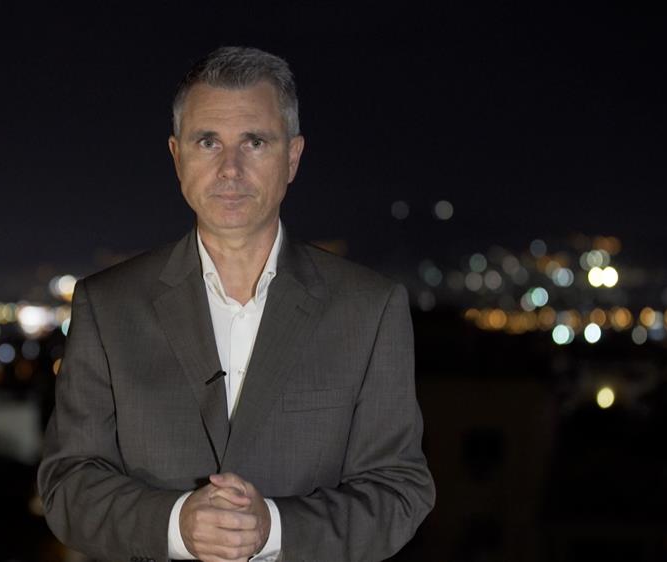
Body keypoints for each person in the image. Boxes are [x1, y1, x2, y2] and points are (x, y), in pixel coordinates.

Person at [38, 46, 435, 562]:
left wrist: (273, 528)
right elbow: (67, 485)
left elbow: (400, 491)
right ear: (177, 156)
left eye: (255, 142)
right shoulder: (107, 305)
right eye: (208, 142)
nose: (230, 169)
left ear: (292, 157)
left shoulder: (370, 309)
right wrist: (176, 524)